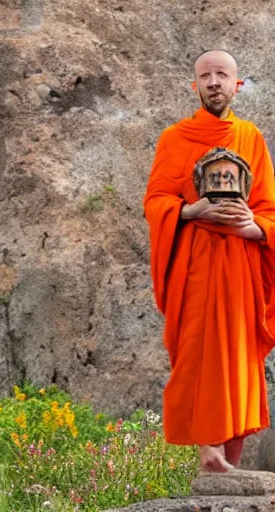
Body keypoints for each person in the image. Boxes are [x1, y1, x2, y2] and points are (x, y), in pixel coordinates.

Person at [144, 49, 275, 472]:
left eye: (222, 74)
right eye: (205, 75)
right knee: (200, 354)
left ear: (237, 84)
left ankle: (228, 464)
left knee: (238, 355)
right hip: (196, 264)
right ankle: (209, 452)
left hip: (241, 265)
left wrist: (249, 227)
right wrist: (193, 211)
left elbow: (269, 211)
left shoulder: (251, 138)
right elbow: (157, 202)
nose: (214, 82)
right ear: (195, 85)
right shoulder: (175, 138)